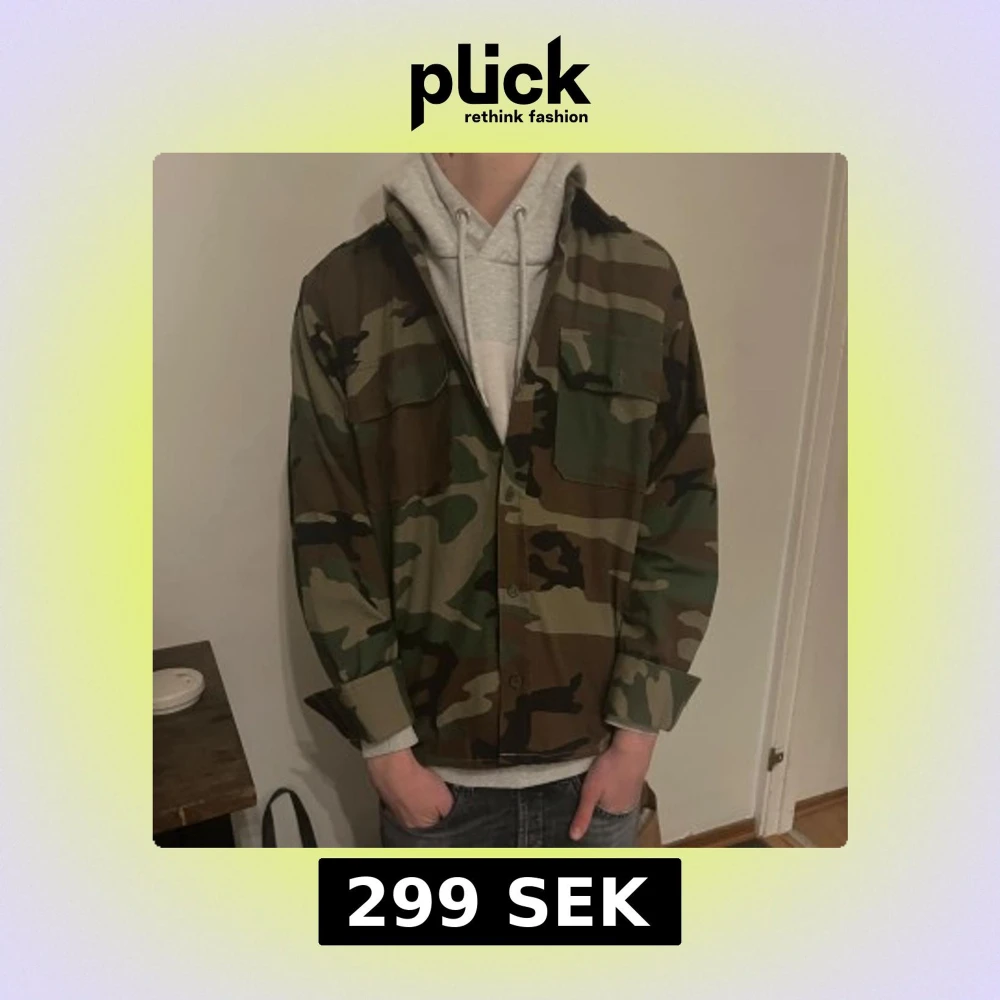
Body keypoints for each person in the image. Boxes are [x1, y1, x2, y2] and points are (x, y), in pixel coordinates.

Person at [286, 153, 719, 847]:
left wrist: (637, 736)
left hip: (594, 777)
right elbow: (329, 528)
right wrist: (387, 751)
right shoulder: (343, 293)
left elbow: (681, 509)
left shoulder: (642, 279)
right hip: (430, 784)